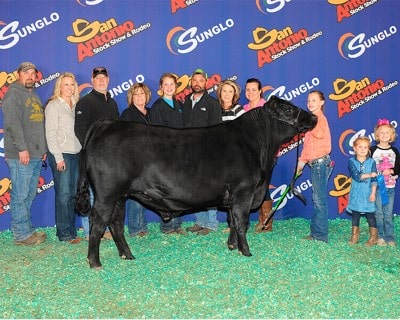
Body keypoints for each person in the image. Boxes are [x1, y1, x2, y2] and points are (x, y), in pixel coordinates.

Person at [2, 62, 47, 246]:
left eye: (33, 73)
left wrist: (42, 149)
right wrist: (22, 148)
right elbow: (12, 125)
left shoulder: (33, 95)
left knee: (28, 193)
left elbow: (37, 126)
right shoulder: (13, 94)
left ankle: (26, 230)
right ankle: (21, 234)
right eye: (26, 72)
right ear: (18, 75)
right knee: (20, 194)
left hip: (35, 153)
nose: (30, 76)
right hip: (21, 154)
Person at [74, 66, 119, 240]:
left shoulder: (112, 103)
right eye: (97, 78)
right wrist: (95, 151)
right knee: (92, 192)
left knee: (106, 193)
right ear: (92, 81)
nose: (101, 81)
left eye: (104, 78)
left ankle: (103, 228)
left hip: (112, 157)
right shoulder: (85, 102)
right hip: (94, 157)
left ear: (108, 80)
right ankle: (89, 231)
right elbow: (80, 130)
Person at [182, 68, 222, 236]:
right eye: (194, 80)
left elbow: (217, 130)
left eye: (200, 80)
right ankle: (200, 221)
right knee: (195, 188)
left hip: (207, 153)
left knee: (210, 188)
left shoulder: (212, 104)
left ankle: (212, 224)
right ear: (191, 83)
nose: (197, 83)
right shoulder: (186, 102)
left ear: (206, 83)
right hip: (189, 153)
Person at [45, 72, 82, 244]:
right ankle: (64, 233)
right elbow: (51, 134)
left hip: (76, 154)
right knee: (63, 194)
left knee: (73, 194)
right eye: (66, 84)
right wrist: (58, 157)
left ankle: (71, 231)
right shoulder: (53, 106)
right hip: (62, 155)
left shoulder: (76, 105)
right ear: (59, 87)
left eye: (72, 84)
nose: (69, 87)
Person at [150, 73, 186, 235]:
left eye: (172, 84)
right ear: (161, 88)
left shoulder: (179, 105)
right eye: (166, 84)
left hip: (180, 154)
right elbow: (156, 134)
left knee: (179, 189)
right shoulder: (157, 106)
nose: (169, 87)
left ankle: (177, 225)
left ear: (176, 86)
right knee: (167, 190)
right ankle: (167, 226)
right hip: (165, 155)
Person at [296, 90, 333, 243]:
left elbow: (319, 133)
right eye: (308, 101)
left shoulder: (320, 119)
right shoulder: (313, 119)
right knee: (317, 200)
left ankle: (321, 235)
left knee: (319, 201)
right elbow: (307, 147)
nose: (310, 103)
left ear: (322, 102)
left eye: (314, 100)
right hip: (315, 164)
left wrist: (308, 123)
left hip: (320, 164)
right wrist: (300, 164)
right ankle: (315, 233)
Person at [120, 83, 151, 237]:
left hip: (150, 160)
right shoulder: (127, 114)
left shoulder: (150, 113)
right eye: (136, 94)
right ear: (131, 98)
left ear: (147, 96)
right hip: (134, 160)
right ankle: (135, 228)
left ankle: (142, 224)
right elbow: (124, 139)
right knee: (135, 193)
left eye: (142, 94)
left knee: (145, 193)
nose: (139, 97)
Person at [242, 78, 273, 233]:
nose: (250, 92)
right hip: (249, 156)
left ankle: (266, 222)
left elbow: (271, 134)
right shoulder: (244, 109)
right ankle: (260, 220)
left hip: (265, 154)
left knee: (264, 186)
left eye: (254, 89)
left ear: (260, 91)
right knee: (253, 186)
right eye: (247, 89)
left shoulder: (267, 108)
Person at [370, 119, 400, 247]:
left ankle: (390, 237)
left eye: (387, 132)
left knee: (388, 214)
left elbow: (398, 167)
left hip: (390, 188)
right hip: (377, 188)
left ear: (392, 135)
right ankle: (380, 236)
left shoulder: (395, 151)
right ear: (377, 135)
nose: (384, 135)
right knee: (379, 214)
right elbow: (368, 166)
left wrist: (391, 170)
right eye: (381, 132)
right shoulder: (372, 150)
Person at [347, 136, 378, 246]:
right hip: (356, 192)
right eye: (360, 147)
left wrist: (373, 193)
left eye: (365, 147)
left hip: (368, 192)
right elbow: (356, 176)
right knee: (355, 214)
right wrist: (370, 174)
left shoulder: (372, 162)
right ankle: (355, 236)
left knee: (370, 215)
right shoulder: (351, 162)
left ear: (368, 148)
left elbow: (375, 179)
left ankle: (374, 237)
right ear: (355, 148)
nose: (363, 149)